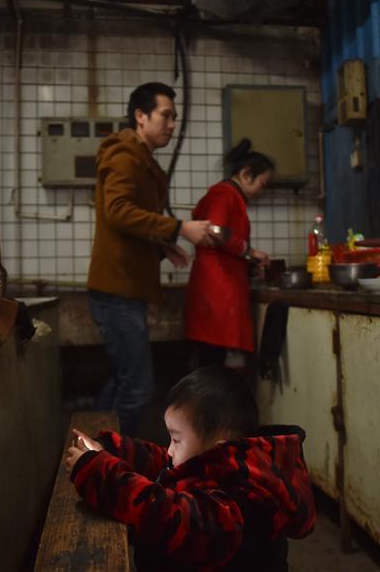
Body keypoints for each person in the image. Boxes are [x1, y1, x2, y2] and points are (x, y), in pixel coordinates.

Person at [64, 365, 316, 571]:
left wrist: (100, 473)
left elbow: (169, 517)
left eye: (176, 439)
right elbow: (162, 460)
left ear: (218, 448)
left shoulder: (245, 504)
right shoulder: (221, 462)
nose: (170, 449)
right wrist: (111, 449)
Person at [86, 81, 217, 436]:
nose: (172, 124)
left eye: (174, 117)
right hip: (117, 290)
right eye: (166, 115)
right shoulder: (124, 155)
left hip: (124, 288)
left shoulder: (140, 158)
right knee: (138, 386)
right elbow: (117, 212)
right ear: (140, 116)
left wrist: (162, 245)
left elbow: (130, 220)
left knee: (124, 379)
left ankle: (88, 451)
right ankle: (107, 460)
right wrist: (178, 228)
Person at [184, 138, 274, 367]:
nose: (260, 192)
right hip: (216, 290)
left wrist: (247, 261)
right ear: (246, 175)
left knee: (212, 358)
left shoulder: (229, 196)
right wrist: (249, 251)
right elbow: (214, 230)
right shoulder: (224, 194)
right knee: (212, 361)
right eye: (261, 185)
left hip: (219, 286)